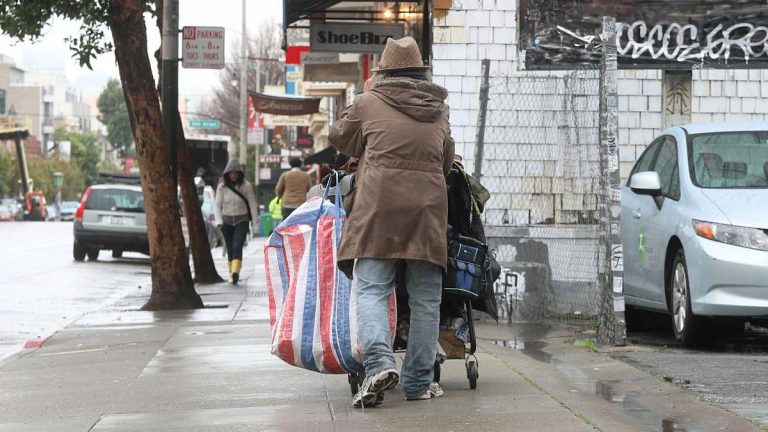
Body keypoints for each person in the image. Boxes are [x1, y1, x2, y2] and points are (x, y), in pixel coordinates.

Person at [329, 36, 454, 408]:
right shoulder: (440, 109)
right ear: (420, 72)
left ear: (383, 73)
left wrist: (366, 101)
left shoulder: (369, 102)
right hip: (428, 211)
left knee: (371, 290)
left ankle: (380, 364)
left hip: (378, 208)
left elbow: (341, 138)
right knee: (427, 300)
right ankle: (418, 383)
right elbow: (445, 161)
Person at [213, 160, 259, 284]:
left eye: (236, 173)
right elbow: (217, 205)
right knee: (229, 247)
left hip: (241, 220)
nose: (233, 175)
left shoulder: (246, 186)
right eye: (231, 173)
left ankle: (235, 272)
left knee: (237, 245)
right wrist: (218, 220)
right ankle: (231, 272)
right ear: (227, 174)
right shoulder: (222, 187)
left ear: (240, 174)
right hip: (226, 221)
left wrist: (255, 224)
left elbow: (252, 203)